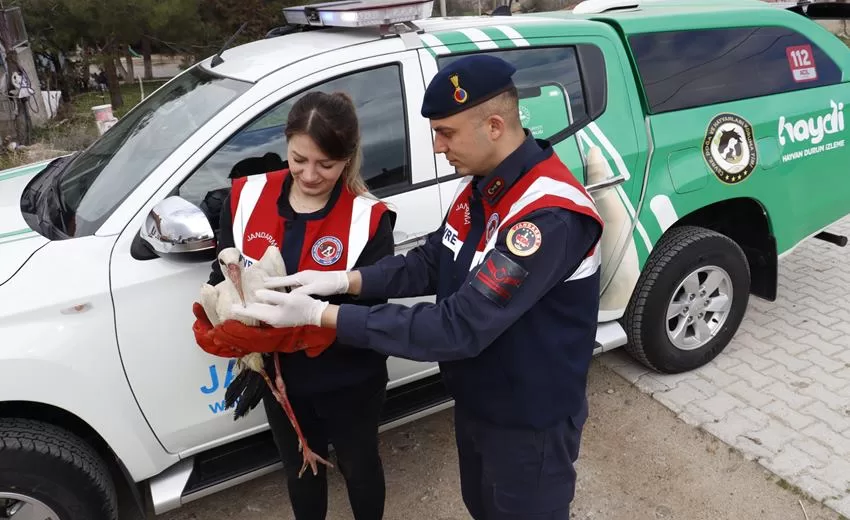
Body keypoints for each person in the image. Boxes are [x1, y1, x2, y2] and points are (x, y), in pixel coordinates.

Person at [232, 55, 604, 519]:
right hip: (480, 401)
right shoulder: (484, 185)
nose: (435, 146)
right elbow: (432, 260)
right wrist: (347, 280)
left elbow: (456, 326)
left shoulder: (545, 215)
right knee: (482, 507)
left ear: (493, 126)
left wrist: (319, 315)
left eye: (445, 132)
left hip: (528, 419)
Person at [192, 90, 396, 520]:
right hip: (281, 379)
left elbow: (372, 310)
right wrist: (222, 322)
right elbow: (225, 271)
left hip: (348, 374)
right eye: (298, 159)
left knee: (359, 467)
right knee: (300, 470)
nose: (309, 174)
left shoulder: (368, 219)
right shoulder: (246, 198)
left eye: (326, 164)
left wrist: (301, 326)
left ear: (348, 157)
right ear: (286, 143)